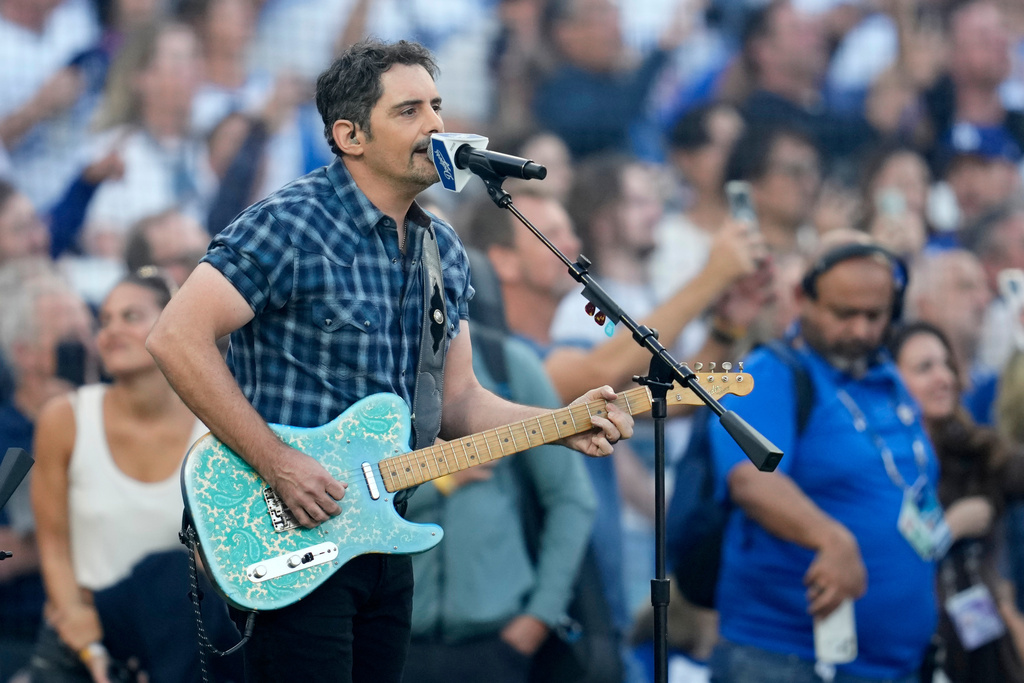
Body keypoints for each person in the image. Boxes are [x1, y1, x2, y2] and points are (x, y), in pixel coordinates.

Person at [145, 39, 633, 683]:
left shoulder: (444, 249)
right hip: (292, 534)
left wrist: (563, 423)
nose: (435, 125)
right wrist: (278, 461)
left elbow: (458, 403)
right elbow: (175, 337)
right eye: (409, 111)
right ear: (349, 134)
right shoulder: (289, 223)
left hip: (383, 536)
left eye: (436, 105)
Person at [708, 230, 938, 682]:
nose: (861, 330)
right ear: (801, 297)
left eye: (876, 315)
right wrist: (831, 538)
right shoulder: (769, 372)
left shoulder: (888, 379)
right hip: (785, 657)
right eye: (844, 313)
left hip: (893, 665)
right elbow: (751, 479)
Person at [30, 269, 240, 683]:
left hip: (182, 637)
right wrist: (75, 619)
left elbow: (224, 555)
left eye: (131, 316)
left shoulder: (220, 427)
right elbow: (52, 542)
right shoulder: (64, 419)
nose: (110, 331)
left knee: (166, 572)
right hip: (84, 629)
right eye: (104, 320)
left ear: (176, 322)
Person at [890, 321, 1024, 683]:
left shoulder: (977, 452)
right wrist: (951, 527)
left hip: (980, 649)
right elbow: (886, 552)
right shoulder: (881, 463)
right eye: (924, 368)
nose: (944, 377)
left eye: (946, 364)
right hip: (903, 648)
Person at [0, 259, 96, 681]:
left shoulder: (108, 417)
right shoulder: (8, 438)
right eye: (72, 339)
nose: (90, 345)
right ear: (26, 355)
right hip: (21, 635)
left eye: (90, 328)